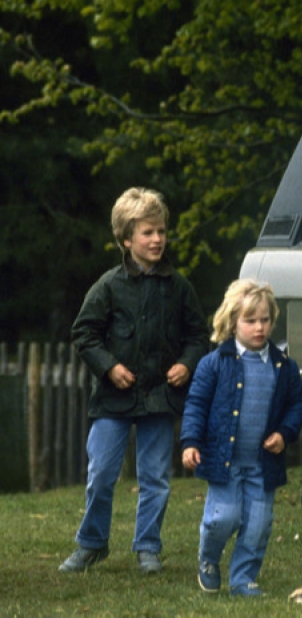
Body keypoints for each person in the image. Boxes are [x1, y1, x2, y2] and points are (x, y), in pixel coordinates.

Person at [59, 187, 209, 575]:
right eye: (147, 232)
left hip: (160, 398)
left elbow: (198, 336)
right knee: (101, 473)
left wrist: (188, 363)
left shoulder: (179, 288)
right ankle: (91, 544)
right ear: (127, 239)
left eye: (161, 231)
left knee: (155, 477)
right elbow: (83, 333)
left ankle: (148, 548)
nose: (157, 239)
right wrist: (109, 366)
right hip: (113, 398)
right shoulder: (108, 286)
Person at [180, 279, 302, 597]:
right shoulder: (214, 364)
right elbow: (196, 404)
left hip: (262, 465)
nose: (259, 327)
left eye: (265, 320)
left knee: (258, 524)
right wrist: (190, 442)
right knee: (224, 518)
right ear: (232, 322)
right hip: (224, 462)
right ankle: (208, 559)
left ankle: (243, 579)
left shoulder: (283, 367)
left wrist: (284, 433)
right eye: (250, 321)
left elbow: (298, 403)